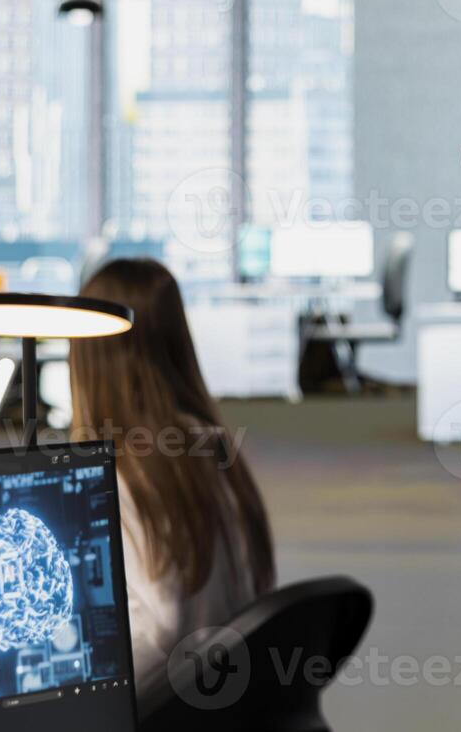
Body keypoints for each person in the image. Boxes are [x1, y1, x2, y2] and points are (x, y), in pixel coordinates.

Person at [69, 257, 276, 703]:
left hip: (163, 707)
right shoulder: (214, 447)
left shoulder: (115, 475)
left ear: (87, 356)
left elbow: (159, 626)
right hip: (229, 703)